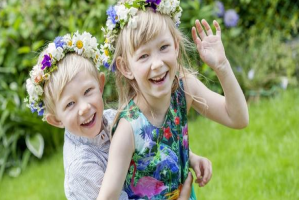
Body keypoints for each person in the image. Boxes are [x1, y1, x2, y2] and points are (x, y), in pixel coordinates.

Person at [97, 0, 248, 200]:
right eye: (143, 56)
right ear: (125, 67)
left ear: (176, 47)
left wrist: (222, 66)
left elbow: (239, 118)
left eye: (164, 47)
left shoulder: (184, 89)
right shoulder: (128, 129)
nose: (157, 64)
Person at [25, 31, 210, 200]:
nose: (84, 108)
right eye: (70, 104)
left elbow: (152, 146)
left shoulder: (114, 117)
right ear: (56, 119)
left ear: (100, 85)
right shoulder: (82, 169)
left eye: (88, 91)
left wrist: (190, 157)